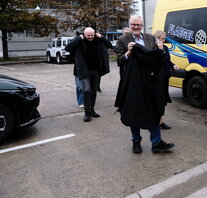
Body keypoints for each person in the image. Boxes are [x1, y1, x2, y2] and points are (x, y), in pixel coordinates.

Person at [114, 15, 174, 154]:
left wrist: (161, 49)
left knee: (153, 110)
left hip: (150, 81)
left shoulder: (149, 38)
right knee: (133, 111)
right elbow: (119, 61)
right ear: (129, 25)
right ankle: (136, 141)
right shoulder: (123, 40)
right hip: (131, 83)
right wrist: (128, 53)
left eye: (138, 25)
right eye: (133, 24)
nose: (136, 27)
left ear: (142, 25)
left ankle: (157, 143)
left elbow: (157, 58)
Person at [65, 27, 112, 122]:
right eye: (88, 35)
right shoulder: (79, 40)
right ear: (84, 34)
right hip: (83, 70)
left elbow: (109, 45)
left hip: (95, 70)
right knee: (86, 90)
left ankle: (92, 110)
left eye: (92, 35)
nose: (90, 37)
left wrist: (102, 37)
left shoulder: (98, 39)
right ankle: (87, 113)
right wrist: (79, 38)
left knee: (94, 91)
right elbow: (68, 48)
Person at [154, 30, 179, 130]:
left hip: (165, 76)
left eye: (164, 39)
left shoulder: (165, 48)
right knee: (158, 99)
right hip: (157, 78)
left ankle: (161, 121)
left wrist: (173, 65)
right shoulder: (153, 49)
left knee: (163, 99)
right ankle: (156, 120)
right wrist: (159, 50)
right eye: (162, 39)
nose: (164, 41)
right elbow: (157, 62)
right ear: (157, 39)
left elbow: (167, 60)